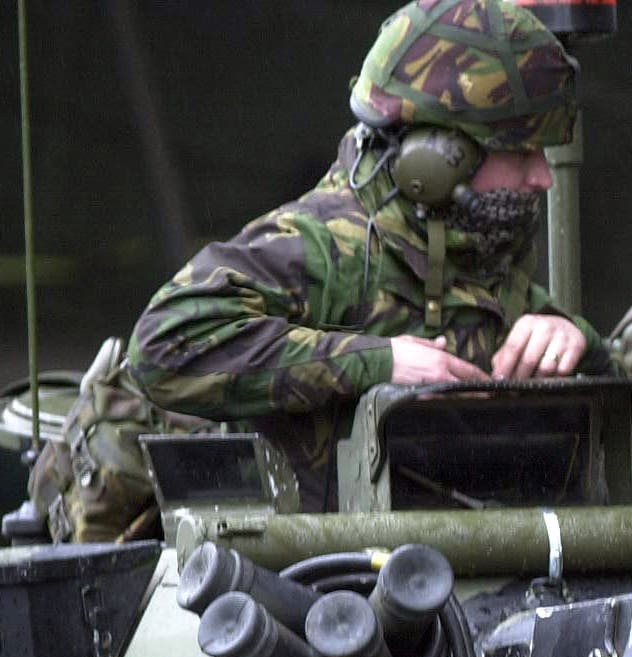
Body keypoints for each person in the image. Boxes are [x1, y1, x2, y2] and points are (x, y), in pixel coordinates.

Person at [127, 0, 607, 512]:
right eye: (522, 152)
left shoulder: (479, 251)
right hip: (325, 580)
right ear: (441, 155)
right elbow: (161, 348)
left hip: (480, 569)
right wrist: (381, 362)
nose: (542, 177)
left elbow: (622, 442)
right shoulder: (325, 245)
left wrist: (578, 343)